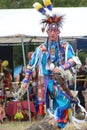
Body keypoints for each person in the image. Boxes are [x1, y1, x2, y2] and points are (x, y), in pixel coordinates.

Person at [13, 0, 83, 129]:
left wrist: (62, 68)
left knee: (64, 104)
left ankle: (58, 126)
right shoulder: (41, 49)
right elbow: (31, 65)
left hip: (60, 81)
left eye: (55, 31)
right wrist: (25, 82)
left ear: (58, 33)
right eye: (50, 31)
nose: (52, 33)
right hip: (45, 81)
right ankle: (53, 125)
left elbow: (74, 60)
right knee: (49, 107)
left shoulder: (65, 46)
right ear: (47, 32)